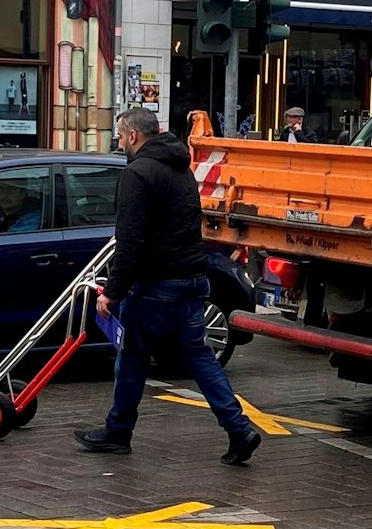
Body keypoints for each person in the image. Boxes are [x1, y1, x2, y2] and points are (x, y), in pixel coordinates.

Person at [76, 108, 260, 464]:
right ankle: (238, 428)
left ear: (132, 136)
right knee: (200, 358)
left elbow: (130, 242)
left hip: (155, 285)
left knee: (131, 356)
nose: (118, 141)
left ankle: (118, 430)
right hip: (192, 279)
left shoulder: (137, 174)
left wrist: (112, 291)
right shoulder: (182, 171)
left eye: (120, 134)